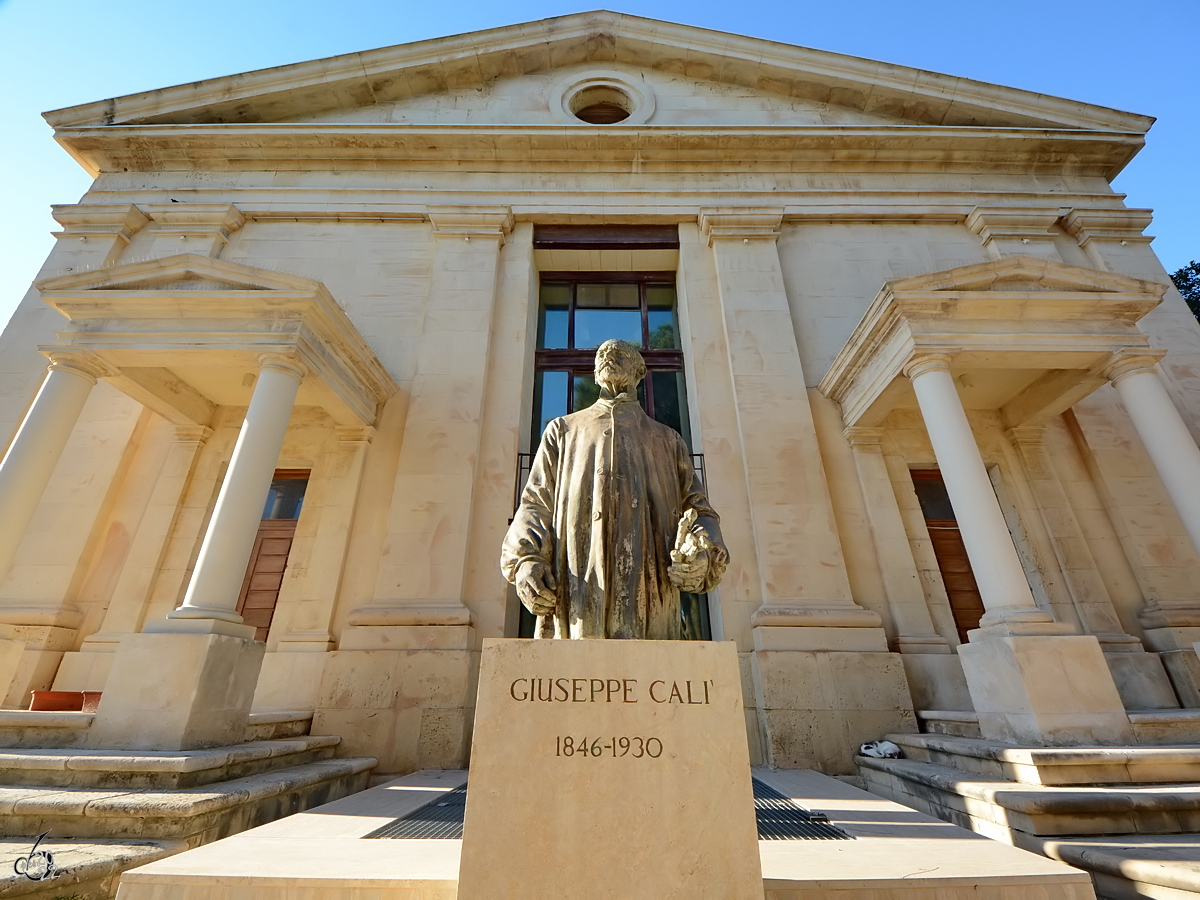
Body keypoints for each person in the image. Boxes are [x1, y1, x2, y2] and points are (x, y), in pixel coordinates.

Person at [501, 339, 728, 639]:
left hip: (652, 603)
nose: (609, 355)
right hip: (577, 600)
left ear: (640, 370)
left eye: (619, 353)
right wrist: (525, 560)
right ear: (595, 374)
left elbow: (698, 510)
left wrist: (703, 554)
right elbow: (534, 504)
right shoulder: (562, 431)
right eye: (603, 354)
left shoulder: (668, 441)